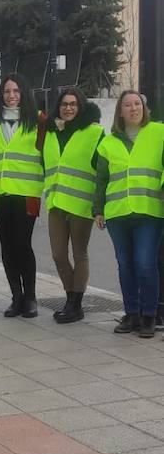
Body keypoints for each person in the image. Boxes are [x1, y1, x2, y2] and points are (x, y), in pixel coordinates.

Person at [0, 73, 46, 318]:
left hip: (25, 193)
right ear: (1, 95)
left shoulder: (38, 120)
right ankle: (16, 297)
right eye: (7, 91)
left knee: (22, 245)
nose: (11, 95)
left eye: (15, 91)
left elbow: (50, 154)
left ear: (23, 93)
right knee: (6, 246)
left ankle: (31, 298)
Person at [94, 90, 164, 338]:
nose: (134, 108)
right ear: (120, 111)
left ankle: (149, 315)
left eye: (138, 104)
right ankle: (131, 313)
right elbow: (101, 179)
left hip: (150, 211)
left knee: (145, 264)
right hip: (118, 214)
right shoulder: (108, 142)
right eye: (128, 105)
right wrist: (98, 209)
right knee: (125, 265)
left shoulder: (159, 132)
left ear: (144, 109)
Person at [43, 87, 104, 324]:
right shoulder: (50, 133)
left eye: (73, 104)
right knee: (58, 255)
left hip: (81, 204)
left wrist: (100, 205)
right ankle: (70, 298)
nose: (68, 108)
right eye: (64, 104)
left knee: (80, 253)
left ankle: (75, 304)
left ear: (81, 107)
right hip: (56, 202)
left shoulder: (94, 132)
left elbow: (102, 171)